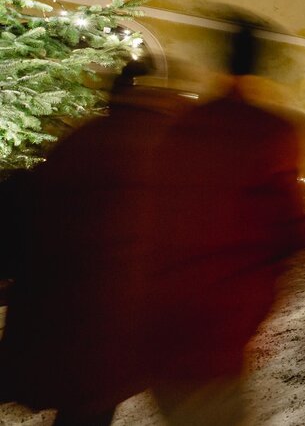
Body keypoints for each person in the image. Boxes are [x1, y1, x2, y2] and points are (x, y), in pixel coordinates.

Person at [0, 61, 188, 426]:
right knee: (89, 403)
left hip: (55, 299)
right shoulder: (156, 145)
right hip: (107, 311)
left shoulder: (86, 138)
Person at [148, 21, 305, 425]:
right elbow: (294, 229)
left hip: (162, 308)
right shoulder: (269, 130)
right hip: (221, 319)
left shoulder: (182, 124)